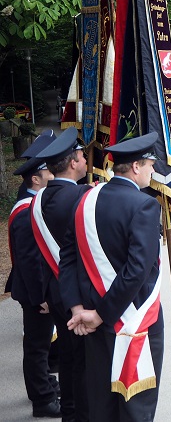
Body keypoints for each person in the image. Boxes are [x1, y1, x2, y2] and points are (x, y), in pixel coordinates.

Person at [62, 133, 164, 422]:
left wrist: (77, 308)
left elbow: (68, 257)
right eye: (150, 165)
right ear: (135, 167)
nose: (152, 171)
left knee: (102, 406)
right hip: (134, 323)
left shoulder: (85, 199)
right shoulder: (144, 205)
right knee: (135, 407)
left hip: (94, 323)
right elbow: (136, 271)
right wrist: (101, 315)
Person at [32, 126, 91, 422]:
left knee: (68, 358)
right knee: (83, 361)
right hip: (79, 293)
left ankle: (69, 412)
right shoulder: (83, 198)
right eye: (81, 156)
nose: (84, 160)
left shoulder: (38, 199)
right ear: (72, 163)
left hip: (55, 292)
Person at [6, 134, 61, 419]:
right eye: (47, 172)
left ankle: (46, 386)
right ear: (35, 180)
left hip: (35, 290)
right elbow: (30, 263)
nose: (53, 175)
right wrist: (42, 297)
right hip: (35, 293)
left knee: (39, 345)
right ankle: (42, 400)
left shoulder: (33, 204)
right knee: (37, 348)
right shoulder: (28, 212)